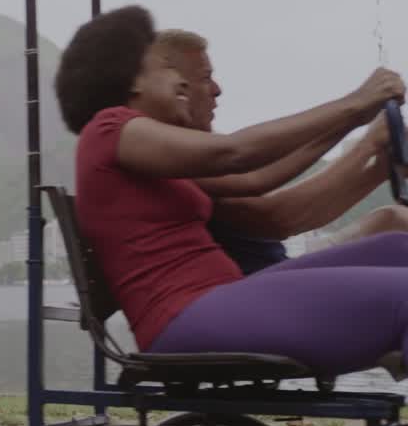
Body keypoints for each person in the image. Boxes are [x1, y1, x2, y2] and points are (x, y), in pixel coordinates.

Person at [57, 5, 408, 377]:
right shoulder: (112, 128)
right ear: (131, 81)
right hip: (184, 316)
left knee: (397, 246)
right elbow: (236, 153)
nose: (183, 84)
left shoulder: (157, 151)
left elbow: (256, 179)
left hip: (220, 296)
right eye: (169, 71)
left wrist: (357, 122)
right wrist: (355, 103)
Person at [153, 29, 408, 275]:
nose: (217, 89)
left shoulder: (199, 148)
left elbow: (274, 189)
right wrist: (364, 136)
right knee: (395, 226)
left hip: (276, 266)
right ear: (177, 89)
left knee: (392, 221)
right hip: (257, 287)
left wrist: (377, 166)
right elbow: (280, 217)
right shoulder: (175, 155)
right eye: (206, 77)